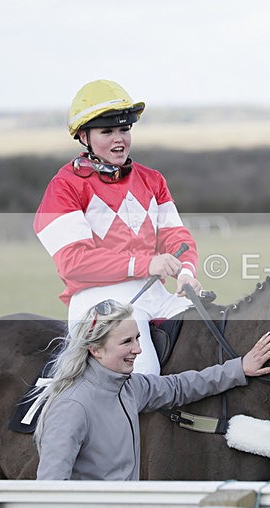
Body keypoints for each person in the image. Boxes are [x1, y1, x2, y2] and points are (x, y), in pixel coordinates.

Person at [34, 79, 201, 375]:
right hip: (98, 301)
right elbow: (74, 263)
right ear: (84, 136)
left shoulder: (152, 179)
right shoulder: (63, 187)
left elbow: (177, 238)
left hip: (156, 295)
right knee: (145, 373)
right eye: (107, 132)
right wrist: (146, 263)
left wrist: (186, 272)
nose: (118, 139)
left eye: (124, 129)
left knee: (212, 336)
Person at [34, 300, 270, 489]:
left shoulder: (130, 388)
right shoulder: (72, 406)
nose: (138, 349)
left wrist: (239, 368)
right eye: (127, 342)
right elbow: (51, 493)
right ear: (95, 350)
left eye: (137, 338)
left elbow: (180, 387)